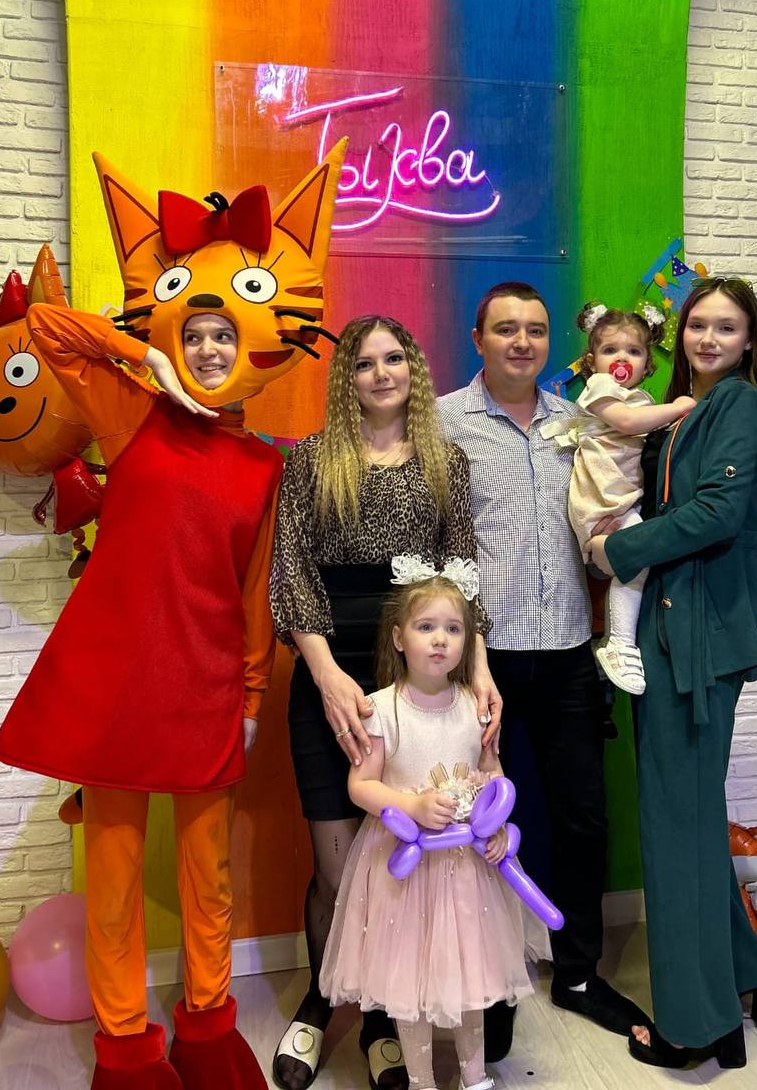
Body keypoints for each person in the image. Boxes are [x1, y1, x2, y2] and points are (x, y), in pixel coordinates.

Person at [0, 307, 280, 1090]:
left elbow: (254, 589)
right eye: (194, 336)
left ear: (249, 349)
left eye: (224, 335)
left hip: (208, 688)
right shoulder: (133, 413)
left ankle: (209, 1031)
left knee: (208, 877)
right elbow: (44, 327)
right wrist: (144, 360)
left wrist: (252, 698)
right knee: (114, 882)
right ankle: (124, 1047)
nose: (209, 350)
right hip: (117, 690)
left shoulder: (264, 464)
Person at [269, 316, 500, 1090]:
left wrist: (479, 670)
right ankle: (319, 1002)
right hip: (330, 663)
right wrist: (325, 674)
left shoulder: (444, 460)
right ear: (347, 378)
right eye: (363, 362)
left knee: (402, 866)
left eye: (393, 358)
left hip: (418, 672)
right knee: (339, 868)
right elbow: (291, 569)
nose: (380, 373)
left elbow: (461, 575)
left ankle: (379, 1020)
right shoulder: (310, 459)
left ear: (413, 368)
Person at [437, 283, 648, 1062]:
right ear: (478, 338)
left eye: (534, 329)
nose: (521, 341)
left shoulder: (579, 419)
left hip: (565, 650)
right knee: (475, 826)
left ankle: (579, 973)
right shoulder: (443, 423)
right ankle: (487, 982)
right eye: (505, 329)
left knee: (581, 819)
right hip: (479, 660)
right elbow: (434, 541)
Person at [587, 277, 757, 1070]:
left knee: (675, 831)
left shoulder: (738, 405)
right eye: (699, 324)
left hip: (695, 643)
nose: (708, 338)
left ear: (748, 340)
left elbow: (717, 514)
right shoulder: (685, 411)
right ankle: (746, 980)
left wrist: (616, 551)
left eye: (726, 328)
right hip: (677, 634)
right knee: (691, 820)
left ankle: (695, 1028)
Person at [320, 564, 546, 1090]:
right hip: (406, 874)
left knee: (470, 974)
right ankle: (420, 1080)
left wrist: (497, 825)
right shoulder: (382, 709)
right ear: (400, 638)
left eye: (453, 628)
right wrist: (411, 805)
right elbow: (360, 785)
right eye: (426, 627)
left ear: (467, 641)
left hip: (466, 872)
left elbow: (493, 775)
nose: (440, 639)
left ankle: (474, 1076)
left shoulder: (474, 706)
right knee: (410, 981)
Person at [542, 303, 696, 695]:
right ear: (592, 361)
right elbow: (627, 423)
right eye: (610, 350)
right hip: (600, 498)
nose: (621, 359)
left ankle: (615, 640)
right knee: (637, 559)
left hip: (620, 499)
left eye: (633, 351)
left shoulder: (638, 397)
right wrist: (678, 408)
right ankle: (620, 643)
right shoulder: (601, 389)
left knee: (634, 565)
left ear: (647, 363)